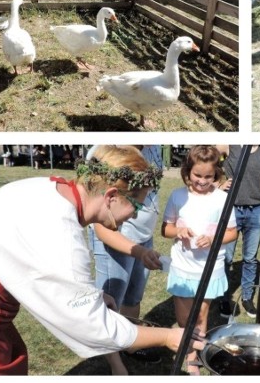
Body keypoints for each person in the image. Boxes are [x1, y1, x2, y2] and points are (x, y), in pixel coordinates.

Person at [0, 146, 187, 375]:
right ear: (110, 196)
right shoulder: (63, 233)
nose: (134, 215)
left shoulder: (50, 186)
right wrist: (167, 336)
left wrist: (93, 295)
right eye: (136, 205)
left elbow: (44, 268)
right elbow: (93, 326)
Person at [87, 145, 164, 375]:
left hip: (143, 238)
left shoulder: (154, 146)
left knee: (133, 296)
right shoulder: (104, 154)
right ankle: (115, 364)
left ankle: (129, 343)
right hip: (116, 239)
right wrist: (138, 252)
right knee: (111, 303)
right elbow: (103, 228)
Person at [162, 146, 237, 374]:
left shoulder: (222, 199)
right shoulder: (178, 196)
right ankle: (188, 345)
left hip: (209, 268)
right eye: (197, 175)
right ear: (187, 171)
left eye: (208, 176)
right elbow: (166, 229)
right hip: (183, 267)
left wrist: (214, 238)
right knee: (184, 317)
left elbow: (232, 232)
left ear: (216, 175)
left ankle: (194, 355)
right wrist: (178, 232)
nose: (202, 181)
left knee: (202, 315)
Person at [216, 145, 260, 319]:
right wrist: (218, 184)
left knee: (250, 258)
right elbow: (207, 161)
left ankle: (247, 298)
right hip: (232, 208)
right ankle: (224, 297)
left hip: (257, 209)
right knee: (227, 257)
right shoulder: (229, 144)